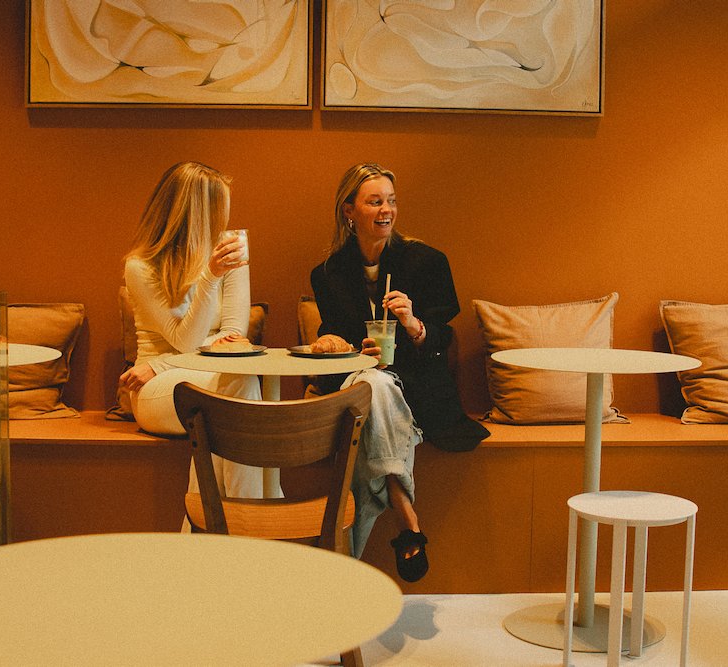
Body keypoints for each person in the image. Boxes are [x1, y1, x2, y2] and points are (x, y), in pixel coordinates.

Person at [310, 163, 490, 582]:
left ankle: (339, 573)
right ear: (349, 211)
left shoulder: (427, 262)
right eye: (375, 201)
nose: (386, 210)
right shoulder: (328, 274)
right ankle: (404, 511)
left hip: (418, 391)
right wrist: (339, 346)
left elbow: (441, 338)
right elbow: (334, 336)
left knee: (374, 395)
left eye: (391, 201)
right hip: (360, 387)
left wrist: (414, 325)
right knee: (372, 383)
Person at [119, 161, 269, 503]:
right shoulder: (140, 266)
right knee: (240, 389)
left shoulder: (229, 252)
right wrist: (210, 277)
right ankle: (256, 513)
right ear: (199, 214)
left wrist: (162, 363)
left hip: (176, 372)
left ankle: (211, 522)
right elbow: (185, 340)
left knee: (234, 390)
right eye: (219, 213)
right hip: (154, 390)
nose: (225, 224)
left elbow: (235, 337)